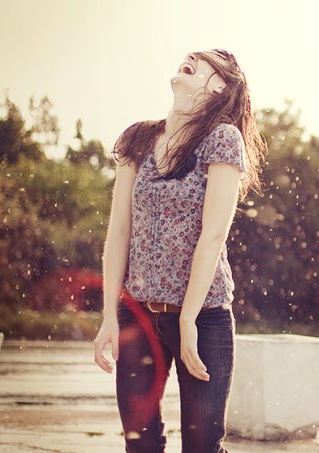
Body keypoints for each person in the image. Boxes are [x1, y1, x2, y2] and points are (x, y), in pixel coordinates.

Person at [92, 49, 265, 452]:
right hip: (136, 313)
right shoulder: (137, 138)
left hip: (204, 317)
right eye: (189, 55)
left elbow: (213, 235)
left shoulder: (223, 139)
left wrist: (187, 318)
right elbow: (119, 230)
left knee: (202, 445)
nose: (188, 58)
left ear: (221, 86)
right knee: (141, 442)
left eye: (204, 62)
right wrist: (109, 316)